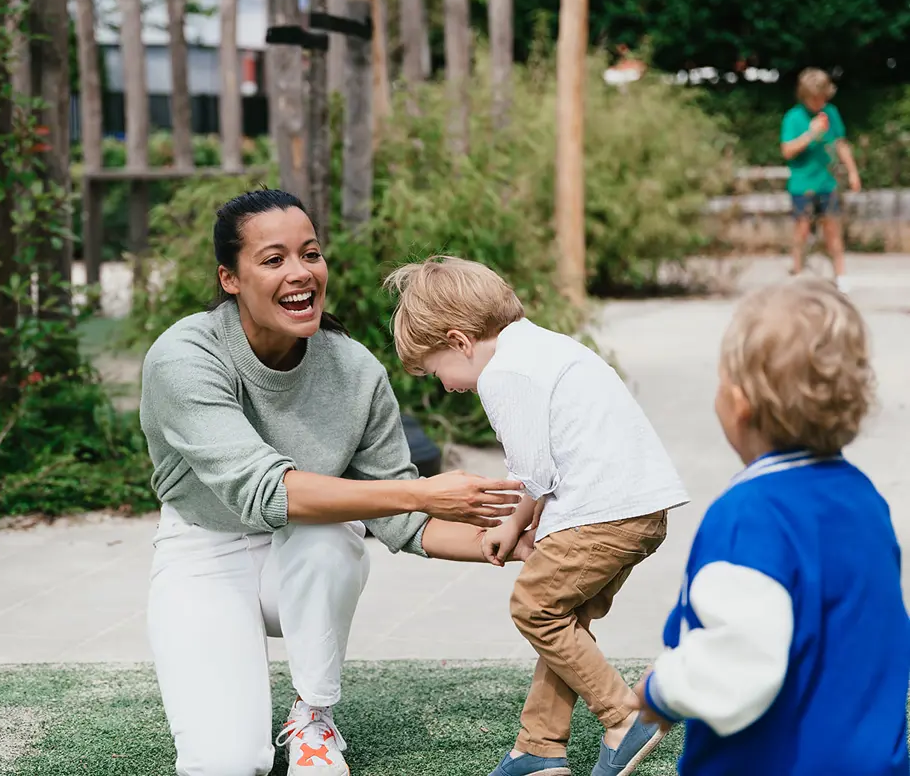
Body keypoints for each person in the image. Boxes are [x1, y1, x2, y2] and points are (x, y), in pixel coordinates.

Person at [138, 189, 529, 776]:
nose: (300, 273)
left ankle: (312, 716)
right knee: (225, 762)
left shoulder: (354, 369)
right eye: (273, 259)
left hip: (305, 552)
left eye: (310, 253)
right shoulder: (185, 356)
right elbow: (265, 492)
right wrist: (423, 490)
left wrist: (512, 540)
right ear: (230, 278)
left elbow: (402, 521)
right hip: (203, 548)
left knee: (328, 538)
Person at [385, 256, 690, 776]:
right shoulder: (541, 346)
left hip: (602, 511)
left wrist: (509, 524)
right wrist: (528, 524)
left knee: (535, 607)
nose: (444, 385)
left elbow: (532, 471)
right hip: (635, 507)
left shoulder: (505, 373)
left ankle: (624, 716)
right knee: (563, 620)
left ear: (459, 341)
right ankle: (539, 747)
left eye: (436, 370)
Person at [633, 278, 910, 775]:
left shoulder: (750, 515)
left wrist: (663, 690)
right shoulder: (864, 499)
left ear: (739, 402)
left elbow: (742, 662)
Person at [780, 67, 862, 293]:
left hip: (827, 183)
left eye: (822, 97)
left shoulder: (831, 113)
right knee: (802, 231)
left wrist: (853, 171)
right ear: (803, 95)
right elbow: (787, 150)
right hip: (802, 184)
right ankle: (797, 274)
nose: (818, 102)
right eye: (814, 98)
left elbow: (840, 144)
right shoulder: (794, 117)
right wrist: (811, 134)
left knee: (833, 230)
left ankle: (841, 275)